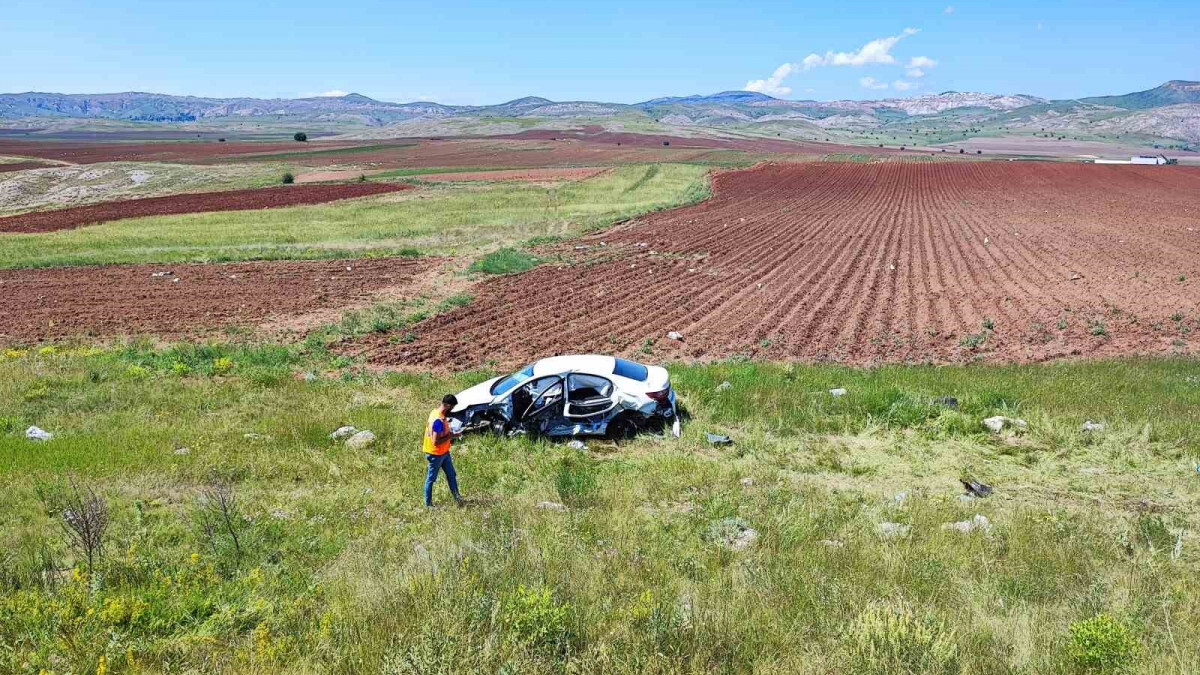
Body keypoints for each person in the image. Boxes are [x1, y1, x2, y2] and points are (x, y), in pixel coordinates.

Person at [423, 394, 463, 507]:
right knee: (431, 479)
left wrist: (451, 434)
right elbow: (435, 441)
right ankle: (428, 505)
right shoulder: (438, 421)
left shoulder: (435, 412)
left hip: (444, 452)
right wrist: (451, 436)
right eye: (452, 407)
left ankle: (458, 498)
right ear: (448, 405)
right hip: (435, 454)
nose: (452, 410)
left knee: (451, 475)